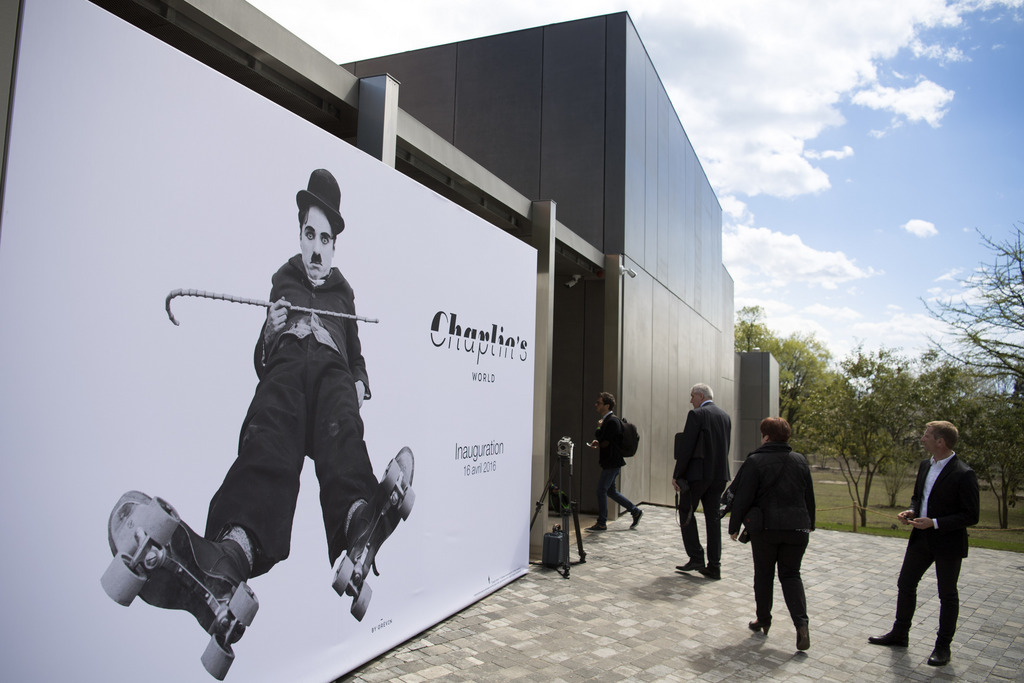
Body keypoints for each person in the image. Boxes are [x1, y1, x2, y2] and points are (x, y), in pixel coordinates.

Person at [868, 420, 979, 667]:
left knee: (947, 595)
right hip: (921, 539)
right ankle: (900, 634)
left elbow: (971, 515)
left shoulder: (964, 473)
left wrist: (936, 522)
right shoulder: (924, 466)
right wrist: (911, 511)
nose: (922, 439)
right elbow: (918, 497)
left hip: (948, 543)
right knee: (905, 583)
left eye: (926, 435)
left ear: (940, 441)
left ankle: (942, 647)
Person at [728, 417, 815, 651]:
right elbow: (808, 496)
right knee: (791, 575)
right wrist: (811, 522)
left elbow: (743, 496)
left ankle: (763, 620)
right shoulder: (800, 460)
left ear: (766, 437)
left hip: (766, 529)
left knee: (764, 575)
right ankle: (801, 625)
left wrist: (733, 525)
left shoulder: (755, 460)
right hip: (797, 528)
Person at [673, 383, 731, 579]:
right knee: (713, 519)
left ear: (700, 395)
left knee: (685, 512)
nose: (691, 401)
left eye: (692, 396)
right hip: (719, 475)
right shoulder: (725, 416)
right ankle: (715, 565)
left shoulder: (696, 415)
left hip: (697, 476)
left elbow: (686, 448)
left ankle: (696, 557)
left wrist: (677, 475)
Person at [586, 392, 643, 531]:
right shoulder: (610, 421)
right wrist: (599, 442)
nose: (596, 405)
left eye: (599, 403)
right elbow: (608, 440)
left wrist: (599, 427)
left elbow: (605, 437)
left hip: (612, 462)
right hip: (611, 461)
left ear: (607, 405)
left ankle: (601, 522)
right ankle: (635, 511)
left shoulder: (611, 421)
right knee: (611, 491)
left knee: (601, 490)